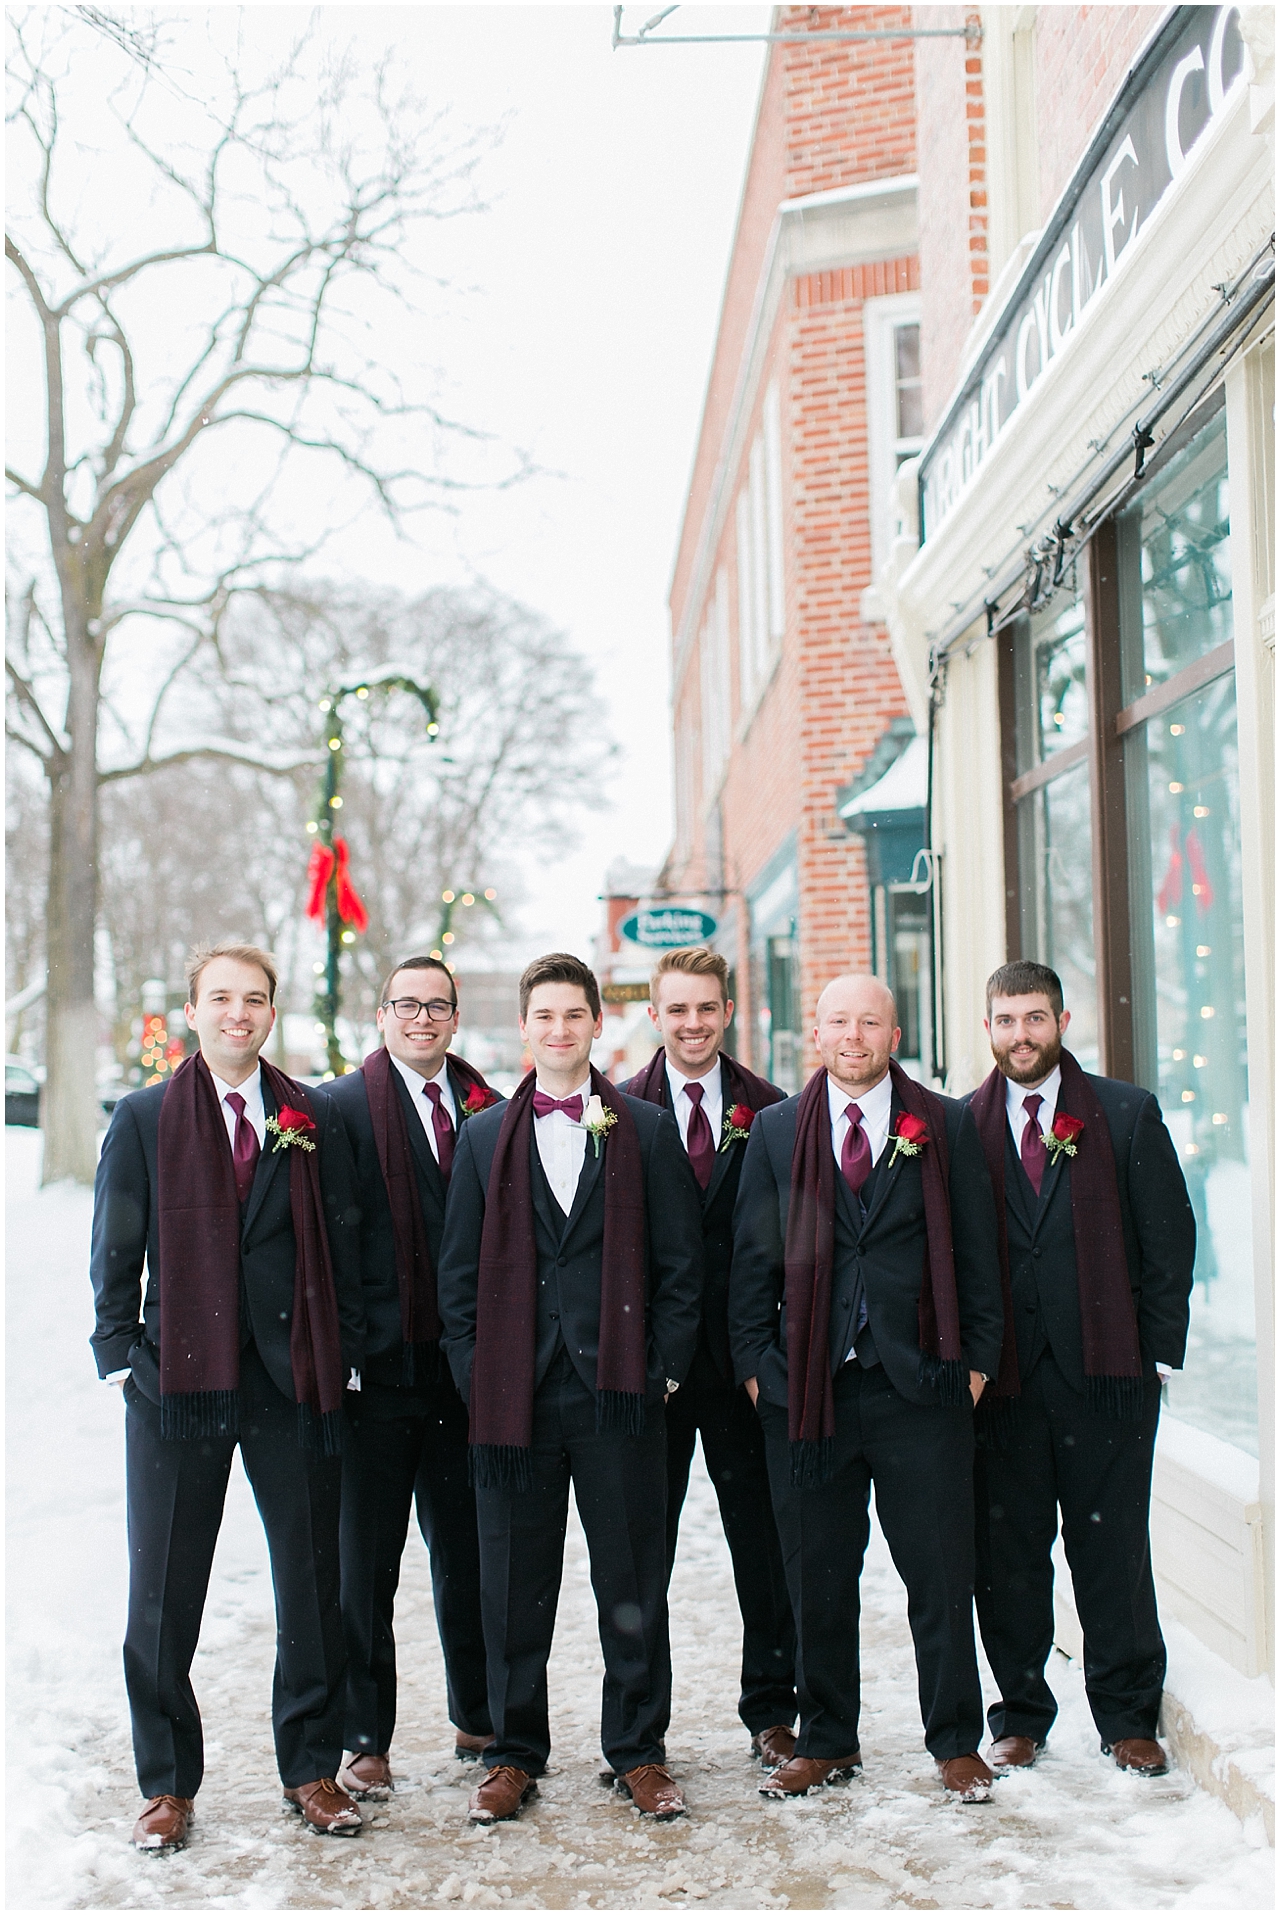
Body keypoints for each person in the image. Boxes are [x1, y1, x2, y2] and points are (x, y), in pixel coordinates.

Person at [89, 942, 367, 1851]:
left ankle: (310, 1765)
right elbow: (116, 1242)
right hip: (178, 1379)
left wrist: (343, 1350)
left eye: (254, 999)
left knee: (313, 1582)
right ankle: (167, 1783)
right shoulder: (142, 1116)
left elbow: (346, 1242)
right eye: (221, 998)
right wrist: (125, 1350)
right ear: (193, 1011)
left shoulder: (312, 1115)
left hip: (294, 1380)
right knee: (164, 1590)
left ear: (271, 1012)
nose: (237, 1013)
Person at [437, 952, 704, 1825]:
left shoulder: (647, 1128)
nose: (558, 1030)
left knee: (633, 1578)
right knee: (512, 1582)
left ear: (598, 1024)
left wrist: (660, 1367)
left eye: (573, 1016)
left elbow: (679, 1267)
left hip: (619, 1392)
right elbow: (458, 1280)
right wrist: (481, 1376)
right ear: (523, 1029)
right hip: (514, 1398)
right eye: (543, 1016)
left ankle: (638, 1750)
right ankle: (514, 1752)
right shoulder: (481, 1138)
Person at [729, 974, 1004, 1803]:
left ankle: (954, 1739)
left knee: (940, 1572)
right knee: (815, 1575)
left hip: (921, 1389)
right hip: (807, 1393)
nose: (854, 1035)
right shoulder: (777, 1130)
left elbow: (979, 1258)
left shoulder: (944, 1123)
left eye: (870, 1021)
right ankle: (827, 1738)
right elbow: (750, 1265)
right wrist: (758, 1377)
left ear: (894, 1031)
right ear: (818, 1032)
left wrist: (975, 1373)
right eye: (839, 1021)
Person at [966, 960, 1194, 1777]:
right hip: (1007, 1383)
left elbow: (1169, 1242)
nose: (1020, 1034)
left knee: (1112, 1550)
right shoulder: (964, 1126)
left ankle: (1128, 1714)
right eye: (1004, 1019)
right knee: (1010, 1554)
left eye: (1034, 1017)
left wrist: (1157, 1354)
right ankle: (1021, 1713)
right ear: (986, 1026)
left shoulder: (1126, 1114)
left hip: (1109, 1377)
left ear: (1062, 1020)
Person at [325, 955, 503, 1799]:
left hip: (463, 1376)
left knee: (469, 1552)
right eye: (407, 1004)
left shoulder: (489, 1108)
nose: (422, 1018)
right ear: (381, 1013)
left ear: (456, 1017)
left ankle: (478, 1711)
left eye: (437, 1005)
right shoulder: (336, 1107)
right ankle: (365, 1734)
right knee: (367, 1562)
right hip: (375, 1377)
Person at [621, 947, 796, 1768]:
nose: (693, 1024)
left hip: (744, 1370)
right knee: (640, 1551)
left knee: (763, 1544)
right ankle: (643, 1728)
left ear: (728, 1010)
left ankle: (772, 1708)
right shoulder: (617, 1111)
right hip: (653, 1370)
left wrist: (772, 1354)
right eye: (678, 1009)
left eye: (707, 1008)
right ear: (654, 1014)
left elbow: (797, 1246)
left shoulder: (772, 1110)